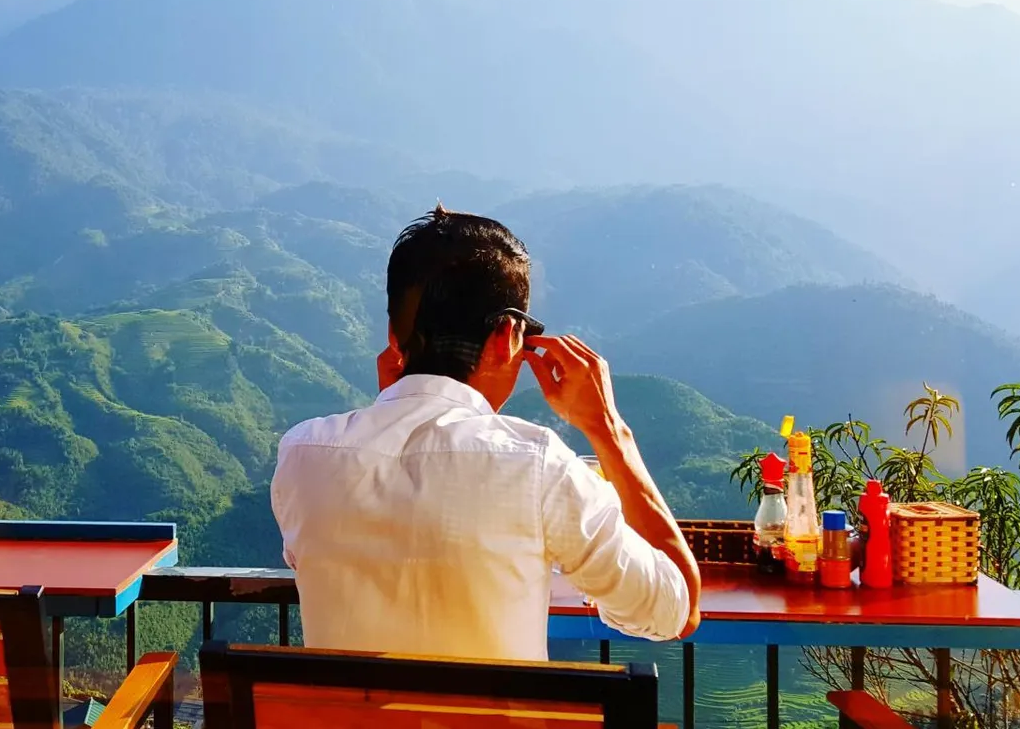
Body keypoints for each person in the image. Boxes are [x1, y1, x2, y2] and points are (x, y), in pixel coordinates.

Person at [271, 205, 701, 660]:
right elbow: (676, 611)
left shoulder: (304, 454)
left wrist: (400, 410)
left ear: (394, 335)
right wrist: (610, 430)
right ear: (508, 335)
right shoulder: (538, 466)